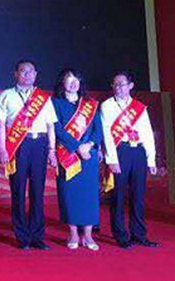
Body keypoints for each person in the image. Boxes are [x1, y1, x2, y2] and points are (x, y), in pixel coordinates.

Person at [0, 60, 57, 250]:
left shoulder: (43, 98)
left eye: (31, 71)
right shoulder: (6, 95)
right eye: (23, 71)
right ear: (16, 74)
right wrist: (2, 148)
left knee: (37, 191)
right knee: (18, 190)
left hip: (39, 144)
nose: (27, 74)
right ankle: (21, 236)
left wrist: (52, 150)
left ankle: (37, 236)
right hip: (17, 145)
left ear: (36, 74)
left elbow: (50, 126)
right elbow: (1, 125)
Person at [101, 71, 159, 248]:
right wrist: (112, 159)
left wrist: (151, 160)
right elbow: (107, 134)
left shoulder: (139, 107)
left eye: (122, 84)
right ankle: (120, 235)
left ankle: (139, 234)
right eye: (115, 84)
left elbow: (147, 133)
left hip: (138, 152)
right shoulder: (107, 106)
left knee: (138, 196)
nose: (118, 87)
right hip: (120, 151)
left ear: (130, 86)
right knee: (118, 195)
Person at [52, 69, 103, 251]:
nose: (74, 83)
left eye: (76, 80)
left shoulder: (90, 104)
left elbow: (98, 130)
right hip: (68, 154)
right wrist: (76, 146)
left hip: (88, 155)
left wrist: (89, 145)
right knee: (69, 193)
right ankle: (73, 232)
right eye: (69, 80)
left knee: (89, 195)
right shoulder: (55, 103)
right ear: (62, 83)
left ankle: (88, 234)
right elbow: (57, 128)